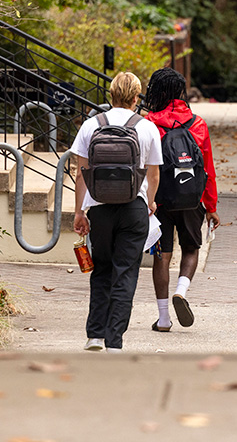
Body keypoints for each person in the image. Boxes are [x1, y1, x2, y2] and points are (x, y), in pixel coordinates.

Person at [71, 71, 162, 352]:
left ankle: (95, 335)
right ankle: (115, 341)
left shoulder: (91, 125)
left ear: (111, 95)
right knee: (126, 273)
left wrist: (79, 212)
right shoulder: (146, 128)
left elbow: (81, 173)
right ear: (136, 98)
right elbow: (155, 174)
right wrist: (150, 201)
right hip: (134, 208)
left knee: (101, 269)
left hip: (99, 208)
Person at [142, 67, 221, 332]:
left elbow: (144, 165)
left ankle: (163, 318)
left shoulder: (149, 123)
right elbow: (207, 167)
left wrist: (145, 200)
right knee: (190, 249)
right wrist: (211, 206)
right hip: (191, 199)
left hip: (160, 201)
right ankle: (182, 290)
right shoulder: (198, 123)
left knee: (161, 256)